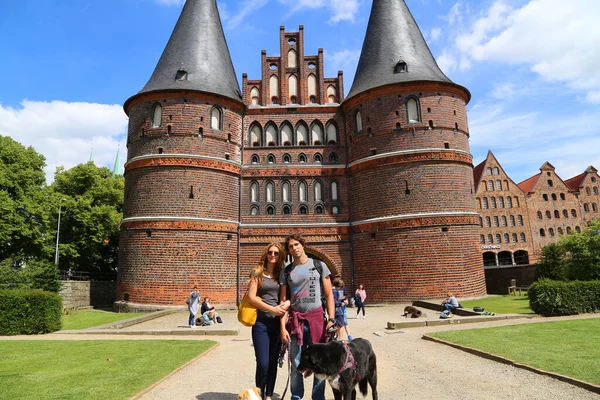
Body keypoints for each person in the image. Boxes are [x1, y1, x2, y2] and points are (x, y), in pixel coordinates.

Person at [279, 234, 335, 400]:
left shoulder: (319, 265)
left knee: (319, 362)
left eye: (296, 244)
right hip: (296, 320)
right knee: (296, 362)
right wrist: (282, 328)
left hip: (317, 318)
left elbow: (329, 294)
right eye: (290, 246)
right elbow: (283, 301)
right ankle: (296, 396)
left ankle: (318, 397)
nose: (294, 248)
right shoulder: (286, 271)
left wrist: (331, 319)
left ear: (303, 245)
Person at [247, 243, 290, 400]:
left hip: (276, 324)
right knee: (263, 362)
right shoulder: (258, 273)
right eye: (270, 252)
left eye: (276, 253)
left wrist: (287, 305)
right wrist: (272, 309)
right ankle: (258, 393)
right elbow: (252, 298)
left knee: (273, 363)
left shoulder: (281, 275)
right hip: (261, 323)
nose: (273, 255)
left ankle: (268, 395)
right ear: (266, 254)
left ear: (280, 257)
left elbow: (285, 298)